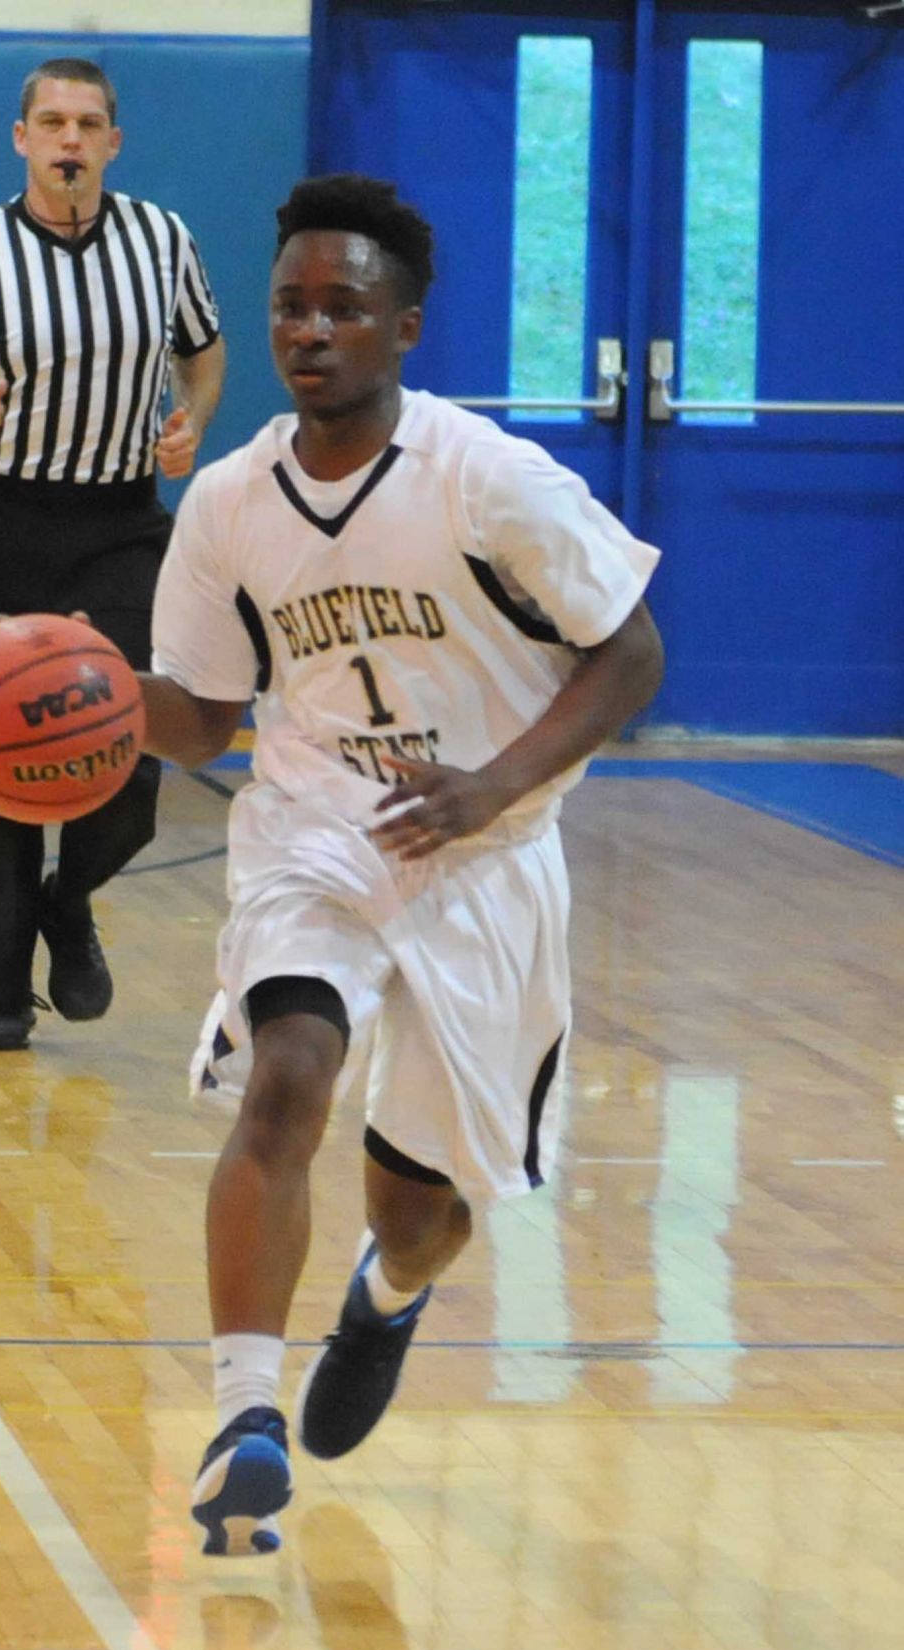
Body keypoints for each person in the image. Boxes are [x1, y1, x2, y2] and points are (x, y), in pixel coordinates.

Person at [135, 173, 665, 1556]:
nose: (308, 332)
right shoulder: (228, 505)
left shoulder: (484, 479)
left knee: (420, 1209)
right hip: (316, 827)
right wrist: (79, 688)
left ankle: (388, 1290)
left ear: (403, 329)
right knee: (286, 1072)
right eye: (287, 308)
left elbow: (631, 651)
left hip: (486, 849)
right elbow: (198, 714)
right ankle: (241, 1421)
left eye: (341, 309)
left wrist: (490, 782)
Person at [0, 56, 225, 1051]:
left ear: (113, 143)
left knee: (132, 766)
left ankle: (68, 904)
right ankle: (0, 993)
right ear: (20, 139)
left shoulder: (163, 242)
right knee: (7, 762)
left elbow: (205, 351)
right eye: (52, 123)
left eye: (88, 124)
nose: (69, 140)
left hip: (120, 526)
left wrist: (189, 418)